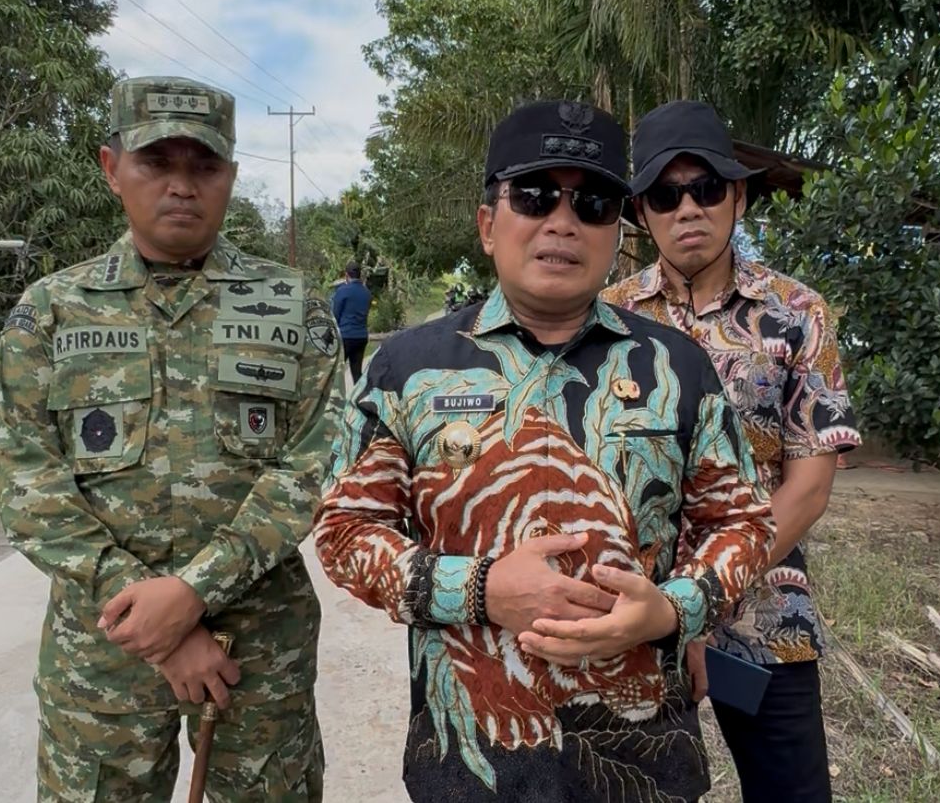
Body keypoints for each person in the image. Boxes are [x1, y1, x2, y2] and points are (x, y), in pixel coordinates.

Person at [314, 100, 776, 802]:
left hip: (642, 759)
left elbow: (741, 524)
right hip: (472, 761)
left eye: (591, 202)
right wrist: (476, 588)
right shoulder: (407, 369)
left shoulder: (676, 368)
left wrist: (672, 608)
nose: (562, 220)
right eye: (533, 195)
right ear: (487, 223)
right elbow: (345, 532)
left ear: (612, 233)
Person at [0, 76, 341, 801]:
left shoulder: (292, 307)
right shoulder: (49, 313)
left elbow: (313, 465)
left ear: (231, 177)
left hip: (258, 652)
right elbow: (30, 488)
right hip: (104, 658)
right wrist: (155, 618)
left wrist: (192, 590)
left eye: (204, 166)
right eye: (157, 163)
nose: (182, 185)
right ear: (111, 166)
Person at [602, 100, 862, 803]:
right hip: (633, 610)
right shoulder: (607, 320)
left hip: (763, 609)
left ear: (737, 195)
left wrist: (701, 593)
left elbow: (809, 485)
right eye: (665, 192)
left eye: (707, 187)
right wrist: (656, 601)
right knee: (631, 788)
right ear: (641, 212)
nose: (688, 207)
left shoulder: (795, 313)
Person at [332, 260, 372, 381]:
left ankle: (338, 398)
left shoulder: (342, 291)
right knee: (357, 372)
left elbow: (335, 314)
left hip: (345, 336)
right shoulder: (367, 293)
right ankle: (358, 398)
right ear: (360, 274)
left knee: (337, 372)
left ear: (346, 275)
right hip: (361, 336)